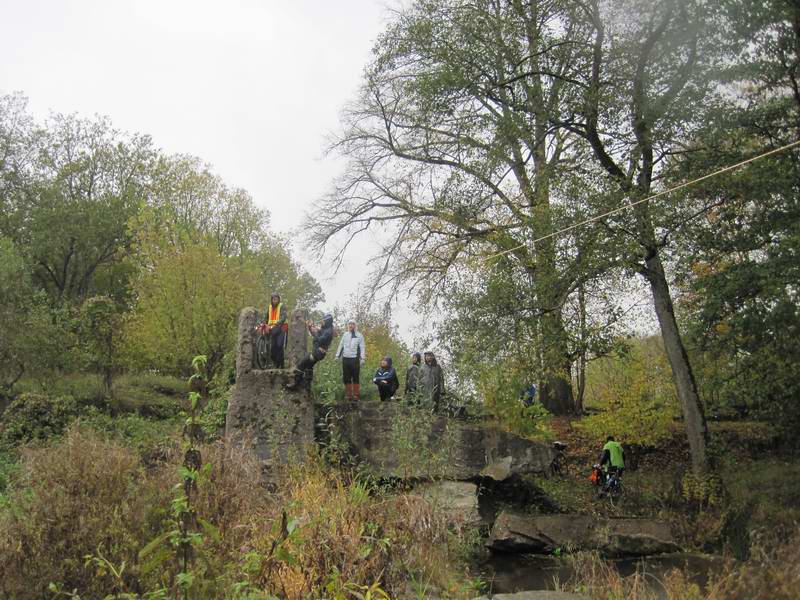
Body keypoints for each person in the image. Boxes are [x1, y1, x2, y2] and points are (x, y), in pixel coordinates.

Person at [286, 313, 334, 391]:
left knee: (301, 364)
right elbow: (315, 335)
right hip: (318, 352)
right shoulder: (325, 329)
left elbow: (320, 339)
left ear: (327, 321)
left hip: (318, 353)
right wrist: (310, 327)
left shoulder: (328, 331)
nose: (322, 322)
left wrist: (315, 330)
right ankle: (307, 386)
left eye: (323, 320)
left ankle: (296, 384)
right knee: (309, 366)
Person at [335, 319, 366, 400]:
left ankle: (356, 395)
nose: (350, 325)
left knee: (355, 377)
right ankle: (348, 395)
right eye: (349, 324)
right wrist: (337, 356)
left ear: (355, 325)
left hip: (354, 359)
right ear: (348, 325)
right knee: (346, 377)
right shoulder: (345, 334)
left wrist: (362, 358)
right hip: (345, 358)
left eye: (352, 324)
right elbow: (341, 345)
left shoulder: (359, 335)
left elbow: (362, 347)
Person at [265, 292, 288, 368]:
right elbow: (266, 317)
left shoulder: (282, 306)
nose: (275, 300)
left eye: (276, 299)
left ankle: (281, 363)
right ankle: (276, 362)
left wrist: (278, 323)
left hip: (282, 328)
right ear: (271, 300)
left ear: (279, 299)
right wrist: (264, 324)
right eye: (274, 299)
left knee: (279, 345)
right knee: (272, 348)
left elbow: (283, 316)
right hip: (273, 329)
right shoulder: (269, 307)